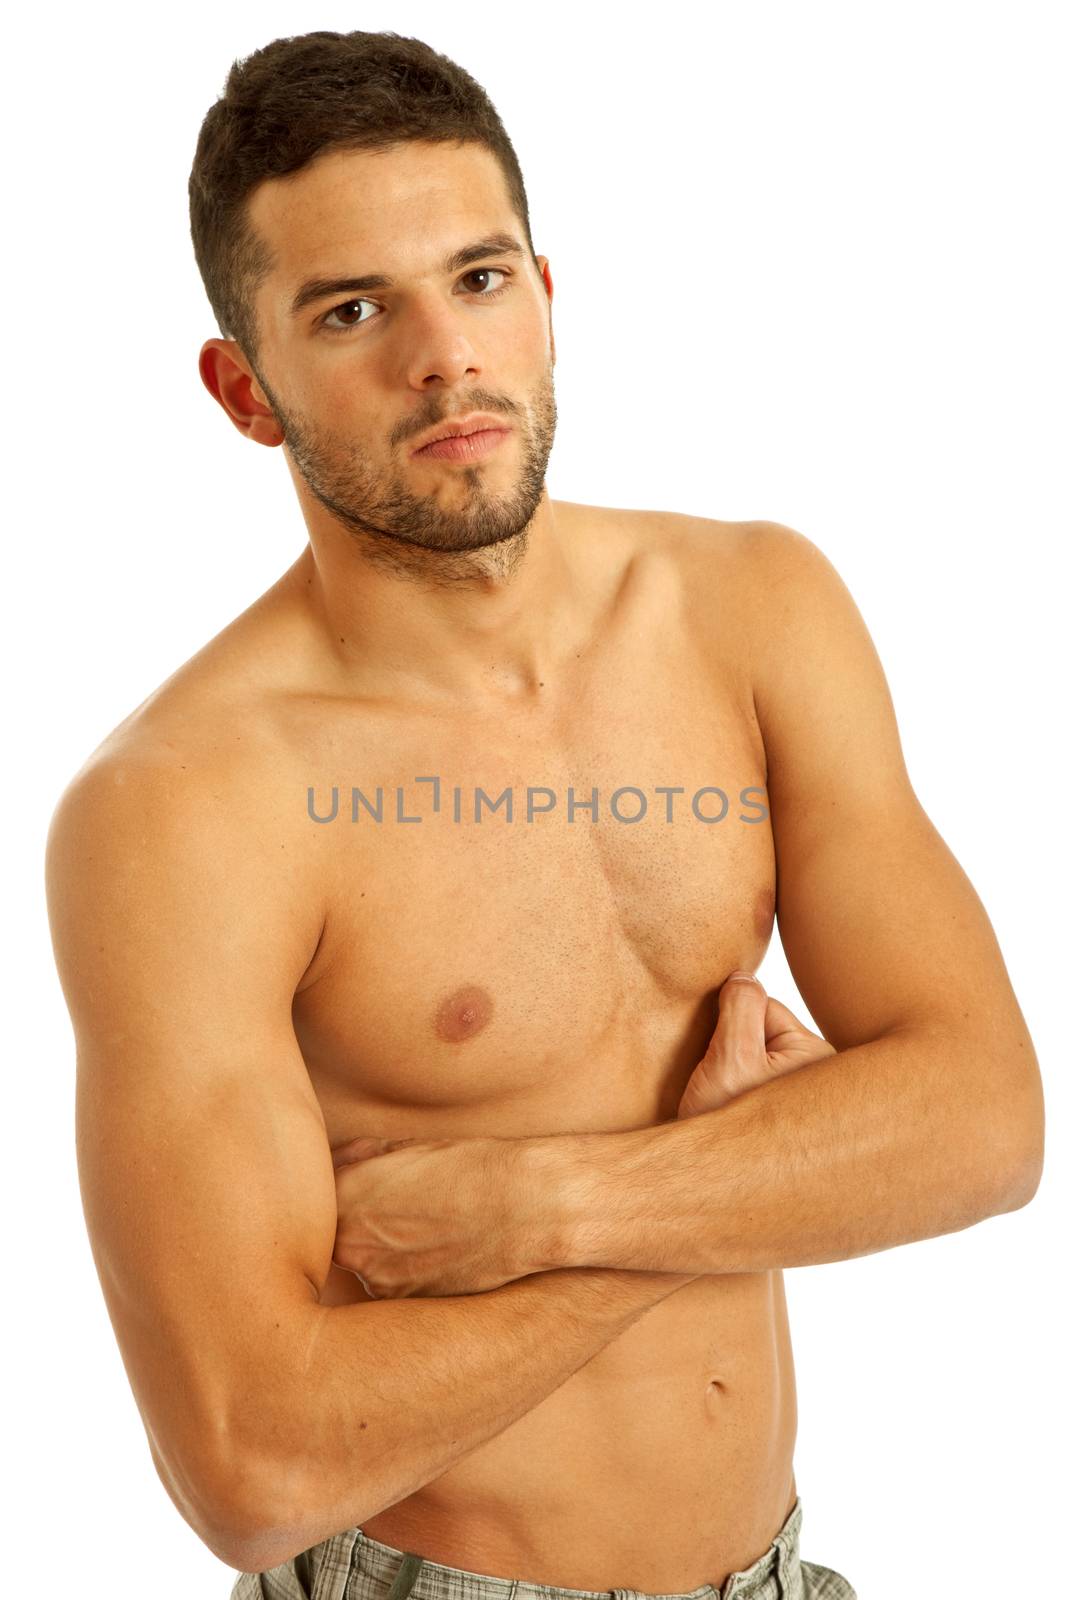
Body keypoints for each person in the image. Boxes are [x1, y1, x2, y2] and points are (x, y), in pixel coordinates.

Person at [43, 28, 1043, 1600]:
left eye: (481, 278)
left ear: (548, 292)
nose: (445, 357)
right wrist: (736, 1184)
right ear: (247, 391)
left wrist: (545, 1203)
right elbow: (251, 1467)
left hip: (780, 1572)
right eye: (353, 310)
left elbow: (986, 1125)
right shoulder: (185, 808)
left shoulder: (754, 610)